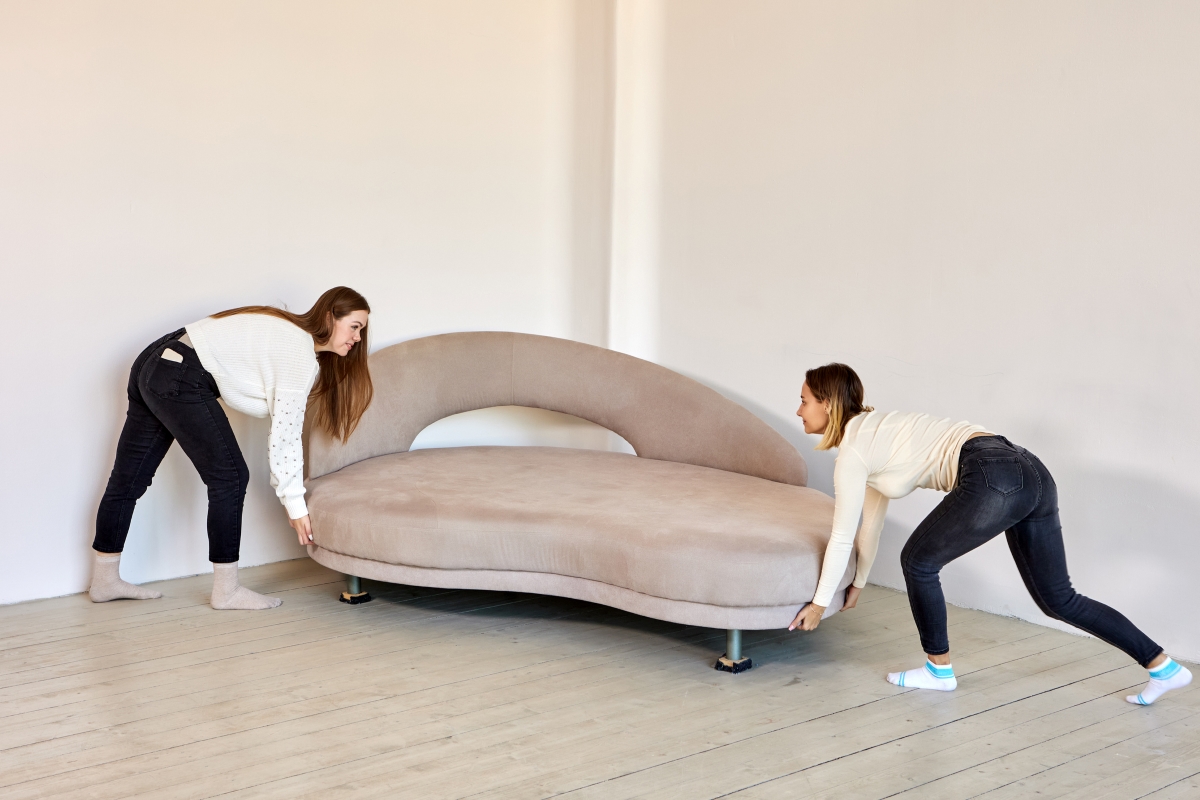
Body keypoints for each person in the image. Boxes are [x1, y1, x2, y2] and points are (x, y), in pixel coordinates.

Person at [787, 363, 1191, 707]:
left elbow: (842, 535)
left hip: (992, 472)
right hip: (1029, 469)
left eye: (805, 400)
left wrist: (820, 604)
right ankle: (1163, 666)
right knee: (1058, 599)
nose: (799, 409)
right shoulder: (873, 434)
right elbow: (868, 523)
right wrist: (857, 582)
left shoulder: (856, 450)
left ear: (827, 403)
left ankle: (938, 670)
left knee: (918, 561)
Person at [90, 287, 373, 610]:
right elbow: (285, 436)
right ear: (329, 317)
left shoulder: (283, 329)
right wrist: (295, 505)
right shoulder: (299, 351)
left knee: (129, 478)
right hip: (179, 371)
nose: (358, 338)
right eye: (354, 326)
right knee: (230, 476)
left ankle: (104, 580)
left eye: (361, 330)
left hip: (155, 362)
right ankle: (226, 591)